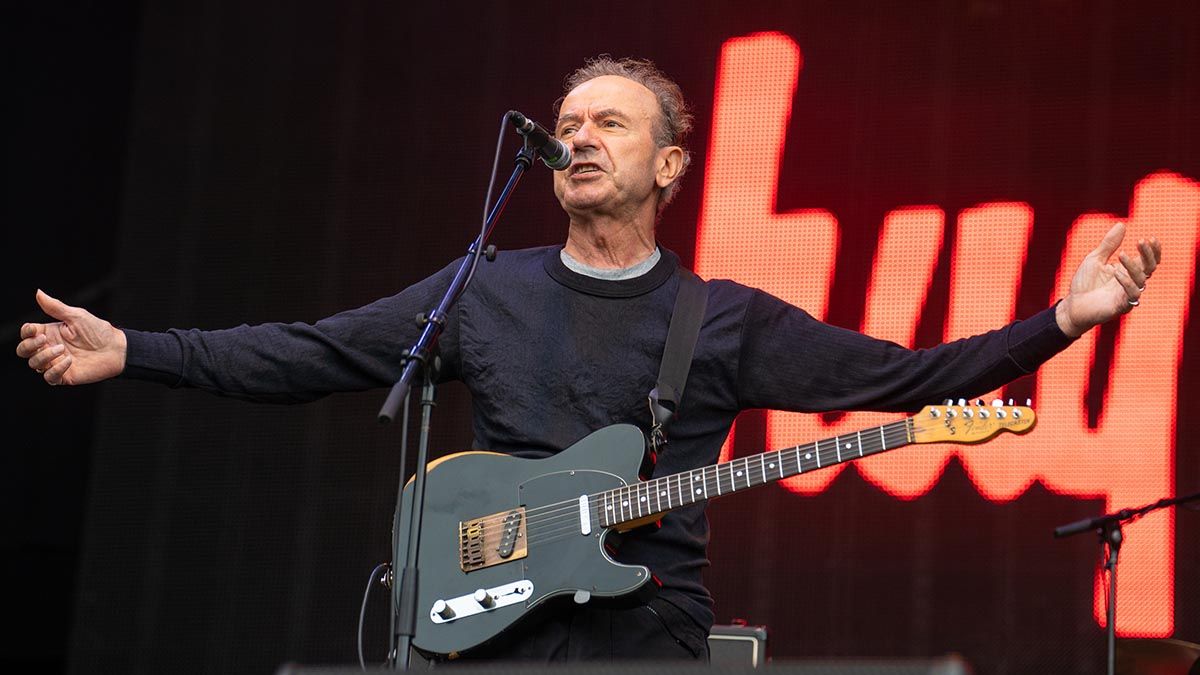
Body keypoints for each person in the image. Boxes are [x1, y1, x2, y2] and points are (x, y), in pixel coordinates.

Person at [17, 57, 1161, 663]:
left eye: (611, 123)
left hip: (642, 636)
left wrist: (1061, 321)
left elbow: (907, 380)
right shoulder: (484, 286)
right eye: (571, 121)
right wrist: (138, 351)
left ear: (670, 166)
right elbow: (312, 353)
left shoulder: (720, 320)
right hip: (485, 617)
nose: (580, 137)